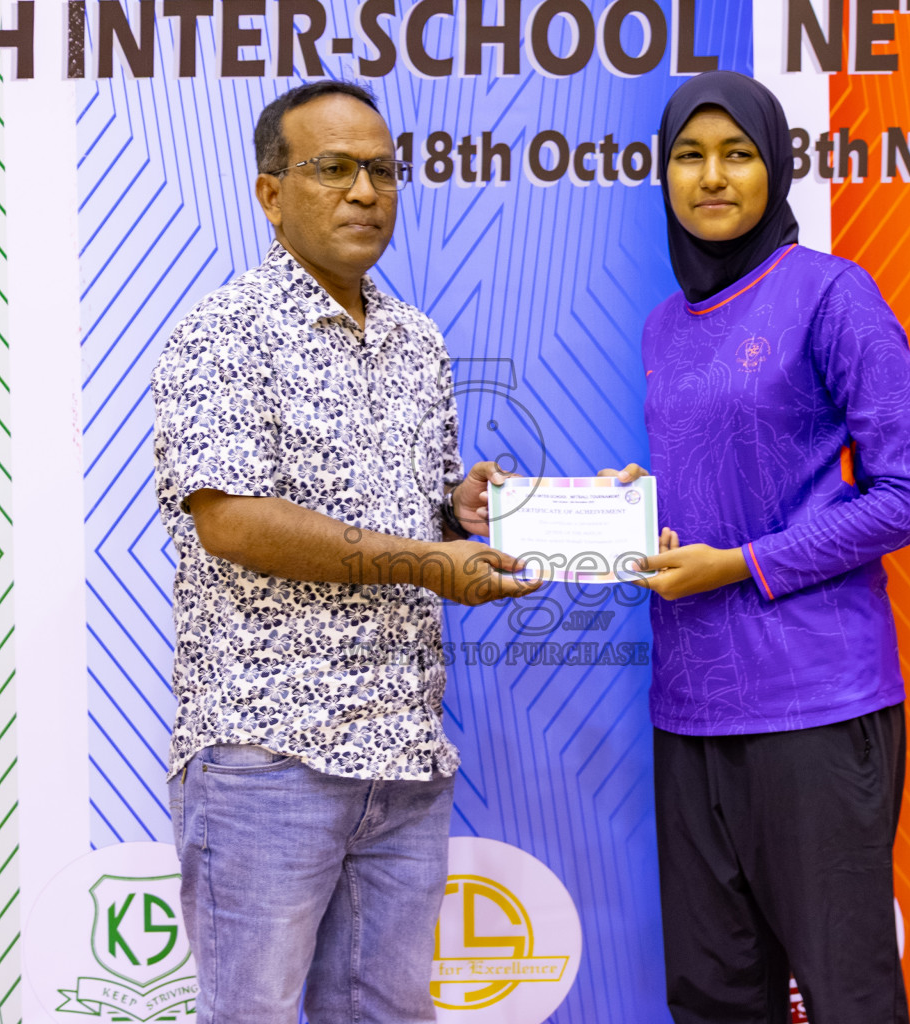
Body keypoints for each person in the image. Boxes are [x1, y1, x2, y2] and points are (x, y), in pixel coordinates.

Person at [150, 81, 538, 1024]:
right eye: (332, 169)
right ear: (271, 193)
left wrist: (462, 514)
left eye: (382, 171)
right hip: (269, 755)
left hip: (404, 753)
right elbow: (231, 518)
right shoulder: (221, 332)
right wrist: (425, 562)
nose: (365, 191)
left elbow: (421, 522)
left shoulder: (416, 341)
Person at [603, 71, 910, 1023]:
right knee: (713, 995)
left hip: (814, 703)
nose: (712, 178)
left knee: (845, 993)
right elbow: (730, 479)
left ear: (776, 169)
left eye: (738, 155)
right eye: (688, 156)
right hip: (690, 705)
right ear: (663, 174)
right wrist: (628, 511)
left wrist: (744, 565)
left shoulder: (834, 295)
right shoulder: (665, 326)